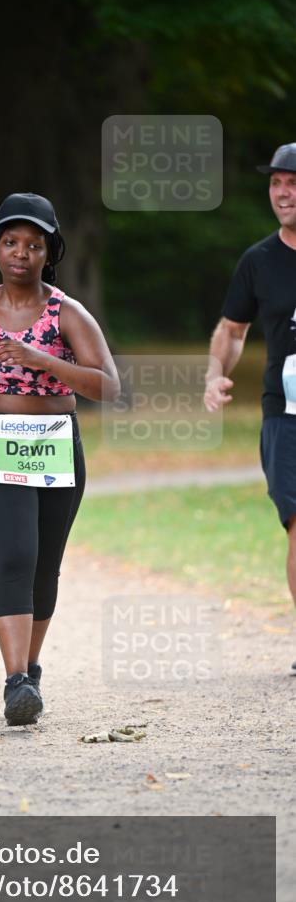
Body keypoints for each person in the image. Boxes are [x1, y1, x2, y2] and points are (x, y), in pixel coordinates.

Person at [0, 193, 120, 725]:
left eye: (34, 245)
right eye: (11, 242)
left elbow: (107, 385)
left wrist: (42, 359)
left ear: (48, 253)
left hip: (55, 439)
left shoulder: (67, 313)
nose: (20, 253)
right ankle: (14, 683)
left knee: (44, 564)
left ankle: (30, 672)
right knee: (14, 553)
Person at [204, 143, 296, 657]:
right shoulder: (259, 261)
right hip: (285, 416)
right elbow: (233, 329)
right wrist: (217, 372)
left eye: (293, 184)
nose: (284, 194)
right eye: (277, 184)